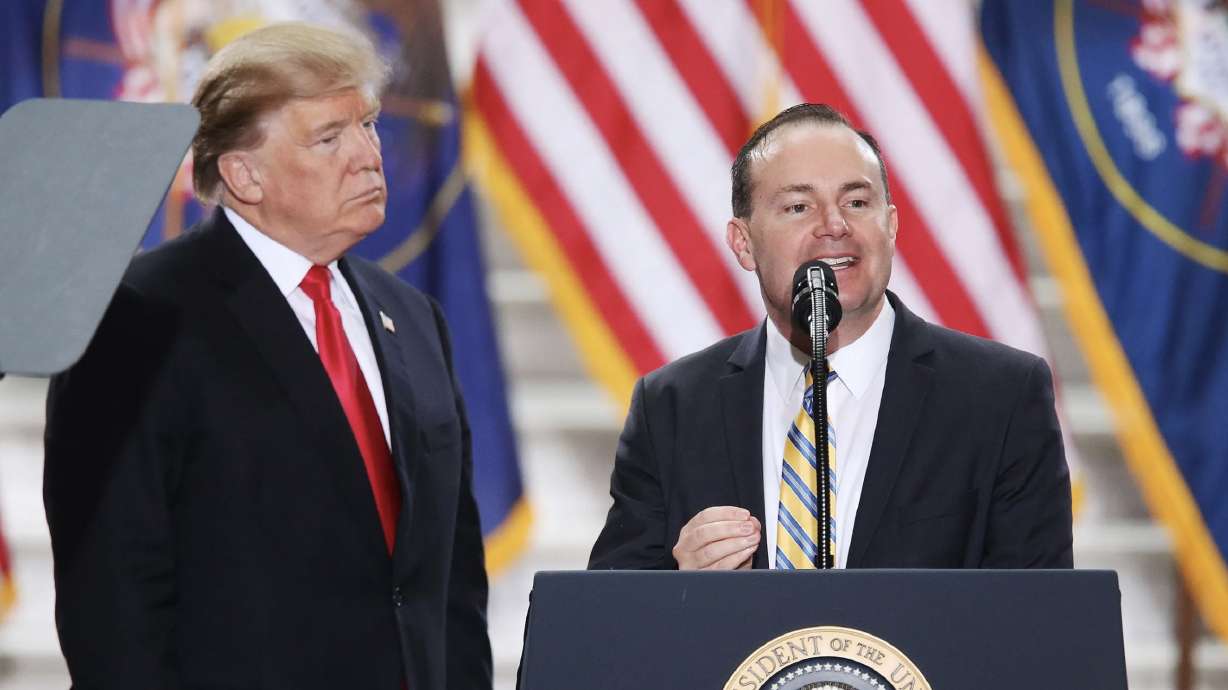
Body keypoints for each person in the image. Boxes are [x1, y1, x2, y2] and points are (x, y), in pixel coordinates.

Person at [43, 23, 490, 690]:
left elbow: (449, 574)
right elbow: (111, 601)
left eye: (366, 124)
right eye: (329, 137)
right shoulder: (137, 318)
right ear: (243, 174)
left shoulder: (413, 317)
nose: (370, 155)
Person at [589, 103, 1072, 572]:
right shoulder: (672, 408)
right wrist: (679, 593)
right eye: (799, 206)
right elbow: (602, 628)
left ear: (891, 226)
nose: (834, 226)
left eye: (857, 202)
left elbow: (1036, 625)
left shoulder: (1001, 397)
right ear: (743, 243)